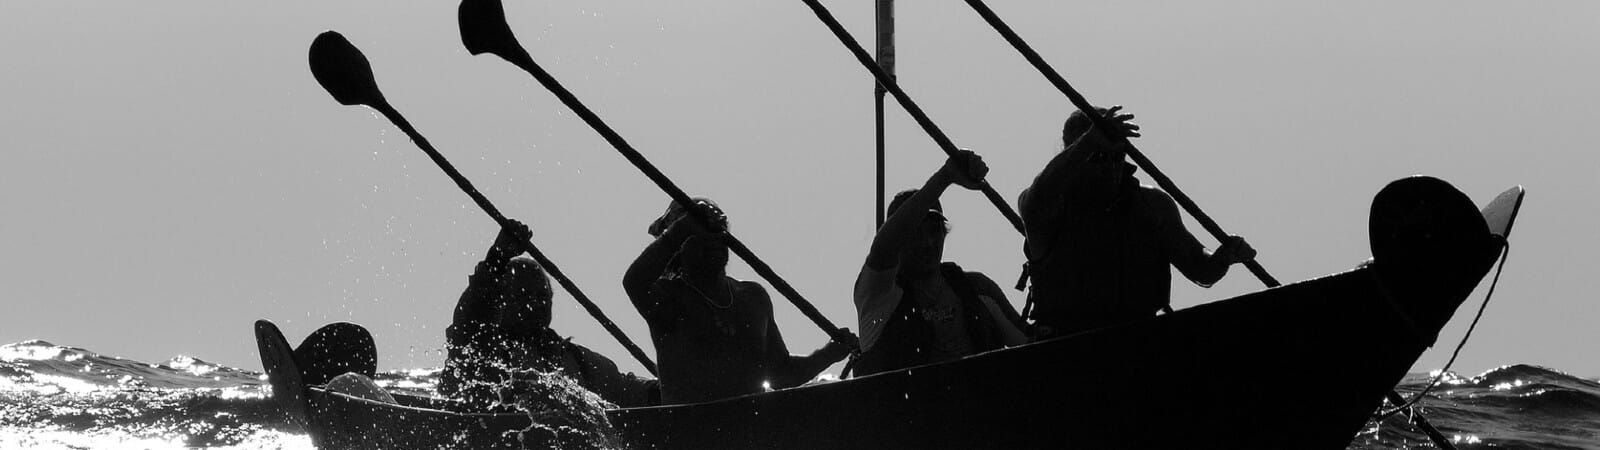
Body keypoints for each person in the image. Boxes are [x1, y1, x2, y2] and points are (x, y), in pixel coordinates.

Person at [1018, 106, 1257, 338]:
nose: (1111, 166)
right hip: (1066, 349)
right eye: (1098, 157)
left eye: (1117, 156)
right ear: (1074, 154)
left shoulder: (1152, 204)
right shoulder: (1047, 207)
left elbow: (1201, 268)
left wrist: (1224, 257)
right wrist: (1090, 141)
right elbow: (1039, 196)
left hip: (1141, 343)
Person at [623, 198, 853, 404]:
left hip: (747, 432)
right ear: (679, 248)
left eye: (718, 234)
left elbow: (781, 373)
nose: (713, 241)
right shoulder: (669, 297)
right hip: (687, 432)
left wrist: (829, 354)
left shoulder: (753, 297)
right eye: (698, 237)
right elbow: (634, 282)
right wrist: (680, 229)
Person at [440, 220, 658, 408]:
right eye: (524, 295)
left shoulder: (578, 360)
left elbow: (628, 391)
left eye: (543, 295)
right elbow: (473, 316)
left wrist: (673, 386)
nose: (537, 303)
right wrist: (497, 258)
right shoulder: (481, 348)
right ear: (501, 301)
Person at [852, 150, 1028, 376]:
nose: (927, 243)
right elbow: (883, 249)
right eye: (915, 233)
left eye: (934, 231)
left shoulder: (977, 288)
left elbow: (1033, 347)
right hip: (911, 408)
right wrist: (945, 177)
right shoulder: (878, 296)